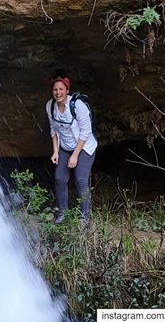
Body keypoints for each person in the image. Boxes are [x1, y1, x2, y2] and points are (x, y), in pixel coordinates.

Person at [45, 71, 97, 224]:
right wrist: (55, 151)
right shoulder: (50, 106)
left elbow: (86, 131)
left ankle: (84, 218)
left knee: (80, 180)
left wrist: (75, 155)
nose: (58, 92)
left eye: (61, 89)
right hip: (65, 146)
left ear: (67, 90)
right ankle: (62, 213)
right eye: (55, 89)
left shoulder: (78, 106)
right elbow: (53, 129)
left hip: (84, 147)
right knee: (60, 178)